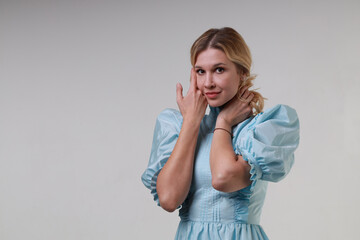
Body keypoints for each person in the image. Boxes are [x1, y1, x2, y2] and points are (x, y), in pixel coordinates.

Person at [141, 27, 300, 240]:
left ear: (242, 72)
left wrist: (223, 122)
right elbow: (169, 199)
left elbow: (223, 178)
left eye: (219, 70)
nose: (208, 83)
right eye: (200, 71)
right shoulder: (176, 126)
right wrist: (191, 123)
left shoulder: (262, 129)